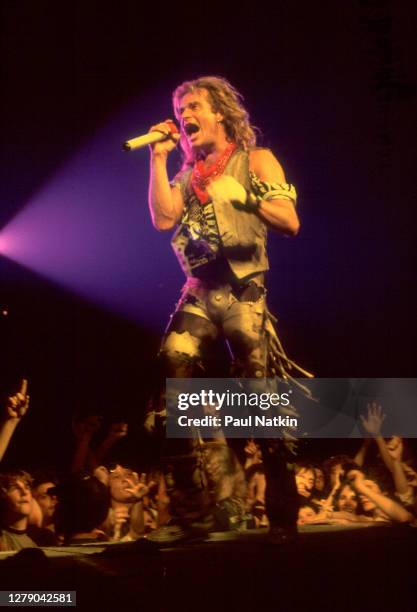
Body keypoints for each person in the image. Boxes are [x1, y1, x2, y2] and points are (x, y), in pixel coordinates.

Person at [146, 76, 308, 541]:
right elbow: (162, 218)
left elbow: (291, 221)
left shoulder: (255, 159)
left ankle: (281, 514)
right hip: (199, 289)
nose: (184, 116)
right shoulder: (186, 174)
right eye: (179, 111)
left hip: (245, 291)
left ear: (220, 111)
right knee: (171, 373)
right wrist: (158, 157)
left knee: (257, 393)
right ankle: (189, 513)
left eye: (193, 106)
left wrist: (250, 198)